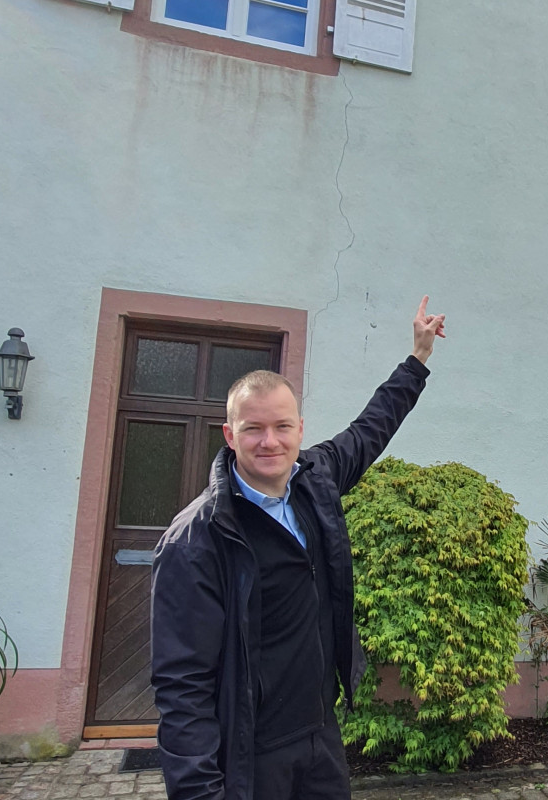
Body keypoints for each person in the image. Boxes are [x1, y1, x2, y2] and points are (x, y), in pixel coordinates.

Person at [150, 296, 447, 800]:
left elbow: (370, 429)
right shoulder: (196, 539)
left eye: (282, 426)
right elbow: (182, 685)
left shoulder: (315, 480)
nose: (270, 441)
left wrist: (417, 358)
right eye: (254, 429)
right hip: (252, 751)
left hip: (319, 733)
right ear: (229, 435)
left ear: (300, 430)